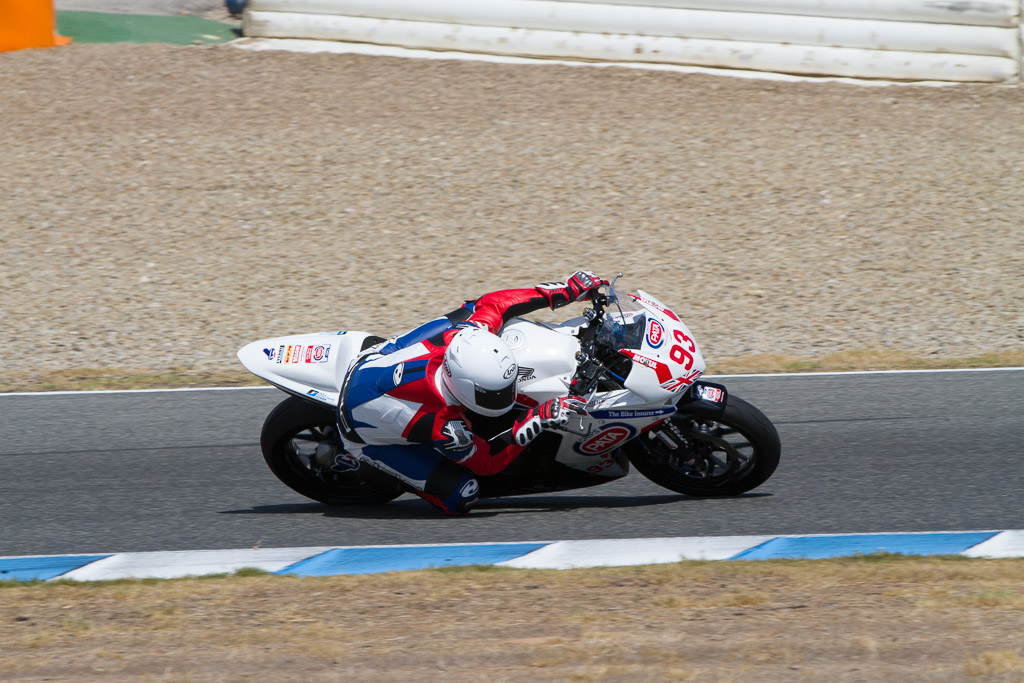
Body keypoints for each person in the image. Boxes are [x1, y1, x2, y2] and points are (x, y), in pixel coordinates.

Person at [333, 271, 609, 514]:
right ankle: (362, 463)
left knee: (470, 310)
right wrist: (534, 420)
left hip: (376, 359)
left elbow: (495, 304)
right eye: (493, 395)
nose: (505, 397)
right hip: (361, 432)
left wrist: (564, 292)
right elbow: (487, 463)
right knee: (464, 495)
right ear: (463, 387)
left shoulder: (463, 336)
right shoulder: (445, 426)